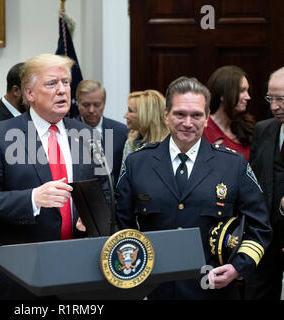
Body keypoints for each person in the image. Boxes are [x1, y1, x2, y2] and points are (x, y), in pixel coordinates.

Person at [116, 76, 271, 299]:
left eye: (196, 115)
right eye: (180, 114)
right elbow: (122, 225)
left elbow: (260, 226)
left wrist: (238, 267)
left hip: (212, 290)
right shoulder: (137, 163)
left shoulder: (233, 165)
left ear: (207, 118)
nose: (188, 123)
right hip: (154, 289)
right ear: (166, 115)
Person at [0, 53, 107, 299]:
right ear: (29, 94)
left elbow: (104, 190)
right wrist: (32, 199)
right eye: (52, 84)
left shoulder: (86, 135)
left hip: (78, 267)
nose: (62, 90)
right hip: (21, 272)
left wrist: (92, 215)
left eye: (66, 82)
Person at [246, 66, 284, 300]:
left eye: (281, 99)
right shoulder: (263, 129)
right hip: (265, 241)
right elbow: (254, 183)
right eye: (271, 98)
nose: (274, 107)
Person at [76, 80, 128, 183]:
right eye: (86, 105)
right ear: (77, 103)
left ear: (104, 103)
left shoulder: (122, 132)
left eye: (96, 105)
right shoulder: (67, 132)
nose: (91, 110)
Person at [204, 65, 255, 161]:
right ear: (222, 95)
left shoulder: (247, 127)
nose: (248, 97)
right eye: (242, 91)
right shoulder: (203, 129)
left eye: (247, 91)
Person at [121, 90, 169, 170]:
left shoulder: (169, 145)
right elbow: (123, 178)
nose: (125, 116)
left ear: (147, 115)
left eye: (130, 111)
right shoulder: (130, 142)